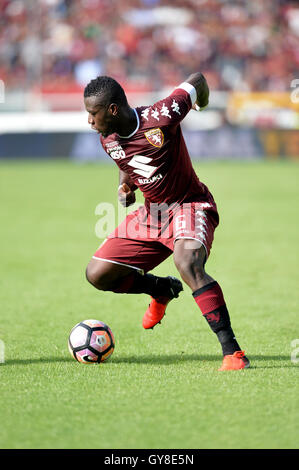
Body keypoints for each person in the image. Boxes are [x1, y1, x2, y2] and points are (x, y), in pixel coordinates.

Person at [83, 73, 250, 371]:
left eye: (92, 114)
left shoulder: (161, 115)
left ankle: (233, 352)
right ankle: (161, 289)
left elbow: (197, 80)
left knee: (188, 263)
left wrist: (203, 102)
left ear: (111, 110)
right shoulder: (106, 139)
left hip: (190, 205)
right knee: (97, 274)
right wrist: (127, 187)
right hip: (153, 215)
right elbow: (127, 161)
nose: (89, 121)